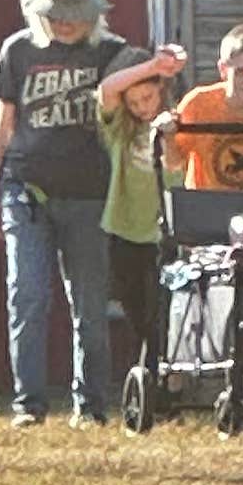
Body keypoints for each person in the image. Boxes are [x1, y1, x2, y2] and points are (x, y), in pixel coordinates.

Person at [0, 0, 169, 425]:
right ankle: (29, 404)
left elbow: (148, 94)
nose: (65, 22)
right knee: (27, 294)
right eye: (57, 13)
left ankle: (91, 405)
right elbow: (3, 126)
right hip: (27, 188)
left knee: (89, 303)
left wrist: (165, 63)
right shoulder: (17, 51)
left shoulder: (112, 52)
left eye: (74, 13)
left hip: (91, 192)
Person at [99, 42, 186, 378]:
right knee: (134, 309)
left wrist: (169, 137)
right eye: (133, 102)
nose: (141, 108)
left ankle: (157, 383)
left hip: (163, 232)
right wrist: (153, 67)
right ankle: (148, 378)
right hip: (124, 228)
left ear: (161, 92)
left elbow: (178, 169)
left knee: (159, 311)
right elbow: (108, 88)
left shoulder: (177, 123)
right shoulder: (120, 130)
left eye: (147, 98)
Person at [156, 21, 243, 208]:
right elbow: (173, 163)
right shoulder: (199, 103)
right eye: (241, 72)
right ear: (223, 70)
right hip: (206, 204)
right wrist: (168, 136)